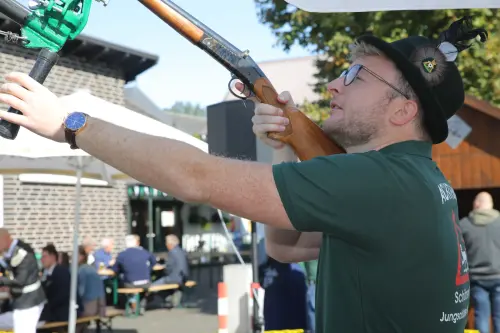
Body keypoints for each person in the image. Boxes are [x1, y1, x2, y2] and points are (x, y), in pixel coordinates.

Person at [0, 17, 488, 333]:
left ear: (404, 111)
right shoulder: (418, 180)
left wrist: (71, 124)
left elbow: (194, 177)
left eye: (357, 75)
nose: (335, 83)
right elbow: (285, 246)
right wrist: (286, 144)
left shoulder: (377, 180)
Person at [459, 191, 500, 333]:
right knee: (499, 317)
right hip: (499, 276)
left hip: (477, 279)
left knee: (481, 316)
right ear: (491, 205)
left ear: (476, 204)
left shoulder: (464, 225)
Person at [0, 229, 46, 332]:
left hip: (29, 301)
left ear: (5, 239)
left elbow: (19, 280)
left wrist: (2, 281)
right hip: (22, 301)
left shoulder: (23, 252)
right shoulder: (11, 251)